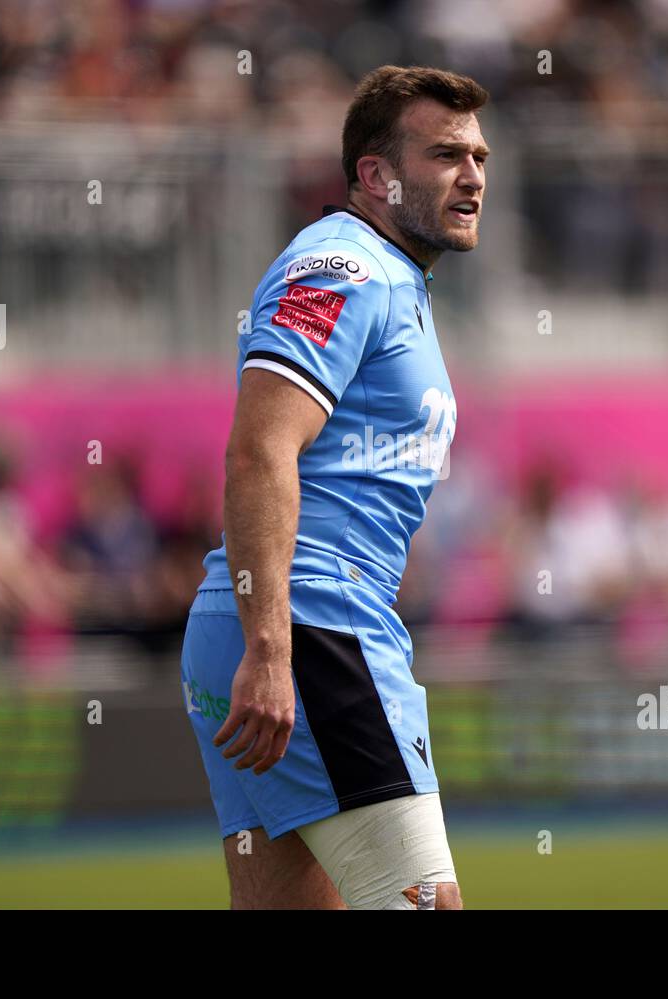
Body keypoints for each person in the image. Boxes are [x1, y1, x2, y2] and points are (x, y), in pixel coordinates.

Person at [179, 64, 489, 909]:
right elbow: (258, 452)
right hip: (312, 626)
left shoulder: (395, 279)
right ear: (375, 175)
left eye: (479, 157)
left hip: (273, 625)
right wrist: (272, 648)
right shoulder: (341, 269)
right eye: (446, 155)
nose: (473, 176)